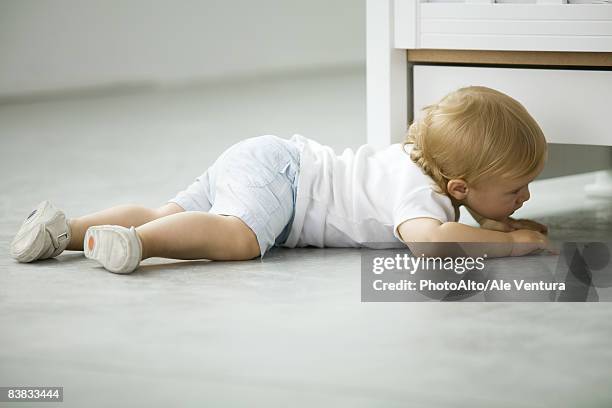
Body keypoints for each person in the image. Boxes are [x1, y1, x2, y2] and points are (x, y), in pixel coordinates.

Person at [9, 86, 551, 274]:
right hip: (285, 185)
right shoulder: (422, 194)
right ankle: (137, 246)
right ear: (456, 186)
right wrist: (511, 244)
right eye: (514, 189)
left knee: (170, 213)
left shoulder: (420, 162)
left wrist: (495, 220)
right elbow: (431, 243)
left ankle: (68, 229)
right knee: (238, 238)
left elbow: (466, 215)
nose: (524, 197)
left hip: (271, 158)